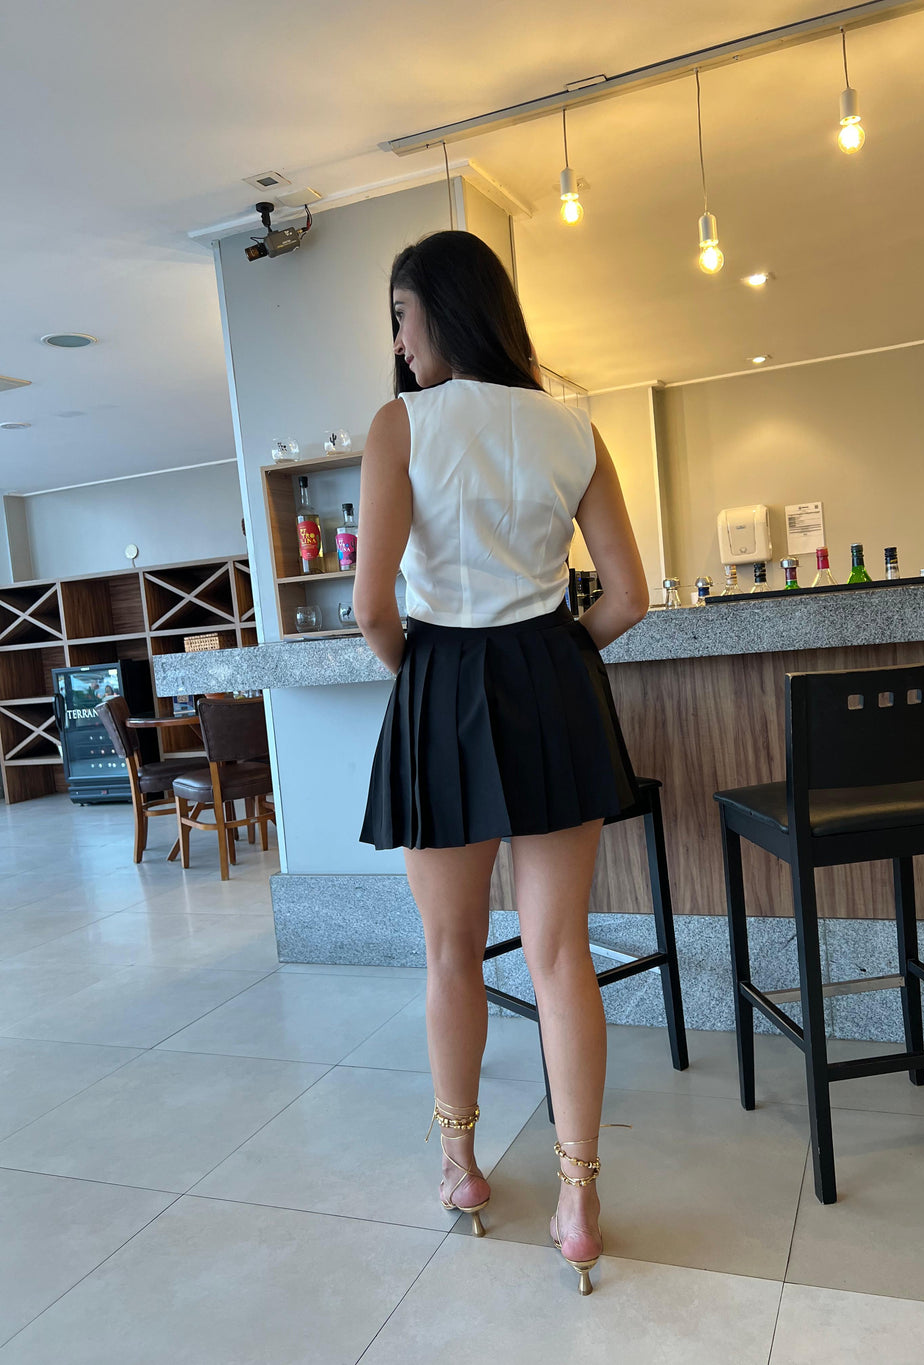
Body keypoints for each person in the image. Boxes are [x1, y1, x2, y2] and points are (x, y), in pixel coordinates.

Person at [353, 230, 648, 1295]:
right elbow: (627, 596)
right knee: (560, 953)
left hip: (441, 682)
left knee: (450, 951)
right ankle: (579, 1199)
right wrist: (553, 663)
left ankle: (462, 1166)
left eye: (401, 315)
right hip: (551, 685)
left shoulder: (401, 426)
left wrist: (432, 681)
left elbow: (372, 608)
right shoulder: (576, 426)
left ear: (443, 309)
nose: (397, 341)